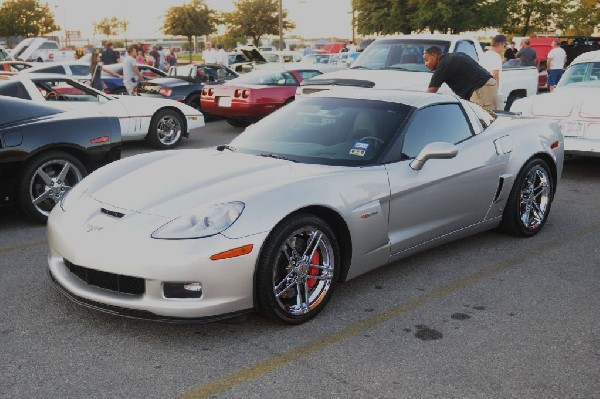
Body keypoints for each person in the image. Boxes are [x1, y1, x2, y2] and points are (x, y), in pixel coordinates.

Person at [423, 46, 498, 111]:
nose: (425, 64)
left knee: (481, 121)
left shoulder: (443, 65)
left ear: (434, 56)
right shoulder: (454, 56)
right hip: (489, 86)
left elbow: (430, 93)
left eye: (426, 60)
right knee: (495, 119)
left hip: (481, 90)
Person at [479, 34, 506, 110]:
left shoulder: (485, 55)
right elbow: (495, 75)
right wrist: (495, 93)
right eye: (504, 45)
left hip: (484, 92)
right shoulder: (496, 56)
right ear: (500, 44)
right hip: (494, 93)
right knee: (500, 116)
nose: (504, 48)